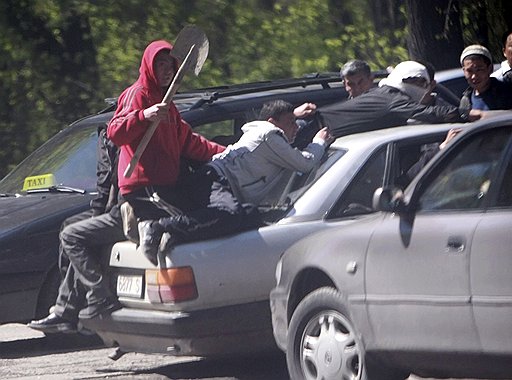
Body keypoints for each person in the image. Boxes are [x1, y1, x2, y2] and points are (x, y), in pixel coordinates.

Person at [139, 100, 333, 262]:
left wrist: (294, 115)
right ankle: (159, 226)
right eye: (291, 122)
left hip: (209, 178)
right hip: (216, 179)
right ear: (273, 122)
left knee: (249, 215)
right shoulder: (270, 135)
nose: (296, 128)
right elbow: (304, 163)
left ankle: (175, 234)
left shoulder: (261, 131)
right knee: (229, 213)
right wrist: (319, 142)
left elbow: (282, 129)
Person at [106, 40, 224, 263]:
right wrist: (143, 116)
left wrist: (226, 152)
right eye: (160, 64)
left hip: (167, 183)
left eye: (171, 65)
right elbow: (114, 132)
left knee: (199, 217)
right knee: (191, 220)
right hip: (144, 185)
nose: (167, 70)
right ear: (150, 66)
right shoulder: (137, 94)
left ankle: (155, 229)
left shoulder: (168, 105)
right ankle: (146, 224)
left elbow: (188, 142)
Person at [28, 125, 122, 333]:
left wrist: (98, 213)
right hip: (121, 207)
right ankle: (72, 310)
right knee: (70, 226)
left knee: (74, 235)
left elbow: (106, 179)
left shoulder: (116, 131)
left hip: (126, 209)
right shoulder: (122, 127)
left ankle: (84, 304)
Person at [318, 60, 472, 138]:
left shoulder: (385, 97)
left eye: (361, 82)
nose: (356, 88)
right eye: (351, 84)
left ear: (371, 79)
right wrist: (468, 114)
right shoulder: (391, 99)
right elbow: (433, 113)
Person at [459, 44, 512, 114]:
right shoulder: (465, 101)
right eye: (469, 71)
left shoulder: (506, 93)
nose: (474, 76)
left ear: (490, 68)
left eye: (479, 70)